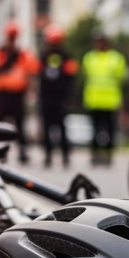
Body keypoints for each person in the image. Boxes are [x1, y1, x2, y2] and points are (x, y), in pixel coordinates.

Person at [0, 20, 39, 164]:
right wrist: (7, 62)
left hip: (18, 95)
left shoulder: (22, 54)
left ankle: (23, 153)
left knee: (20, 125)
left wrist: (31, 89)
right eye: (10, 36)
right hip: (3, 94)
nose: (12, 39)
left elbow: (33, 70)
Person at [81, 32, 127, 165]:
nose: (98, 44)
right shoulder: (89, 57)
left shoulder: (116, 58)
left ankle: (108, 155)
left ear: (106, 42)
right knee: (94, 131)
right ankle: (95, 155)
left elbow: (121, 77)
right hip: (93, 100)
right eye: (96, 41)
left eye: (100, 41)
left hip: (110, 102)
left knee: (110, 131)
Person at [37, 24, 79, 168]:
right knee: (47, 129)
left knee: (61, 128)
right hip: (46, 98)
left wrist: (70, 96)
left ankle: (65, 156)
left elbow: (71, 77)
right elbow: (38, 75)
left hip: (60, 98)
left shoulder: (67, 57)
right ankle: (48, 156)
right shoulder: (42, 57)